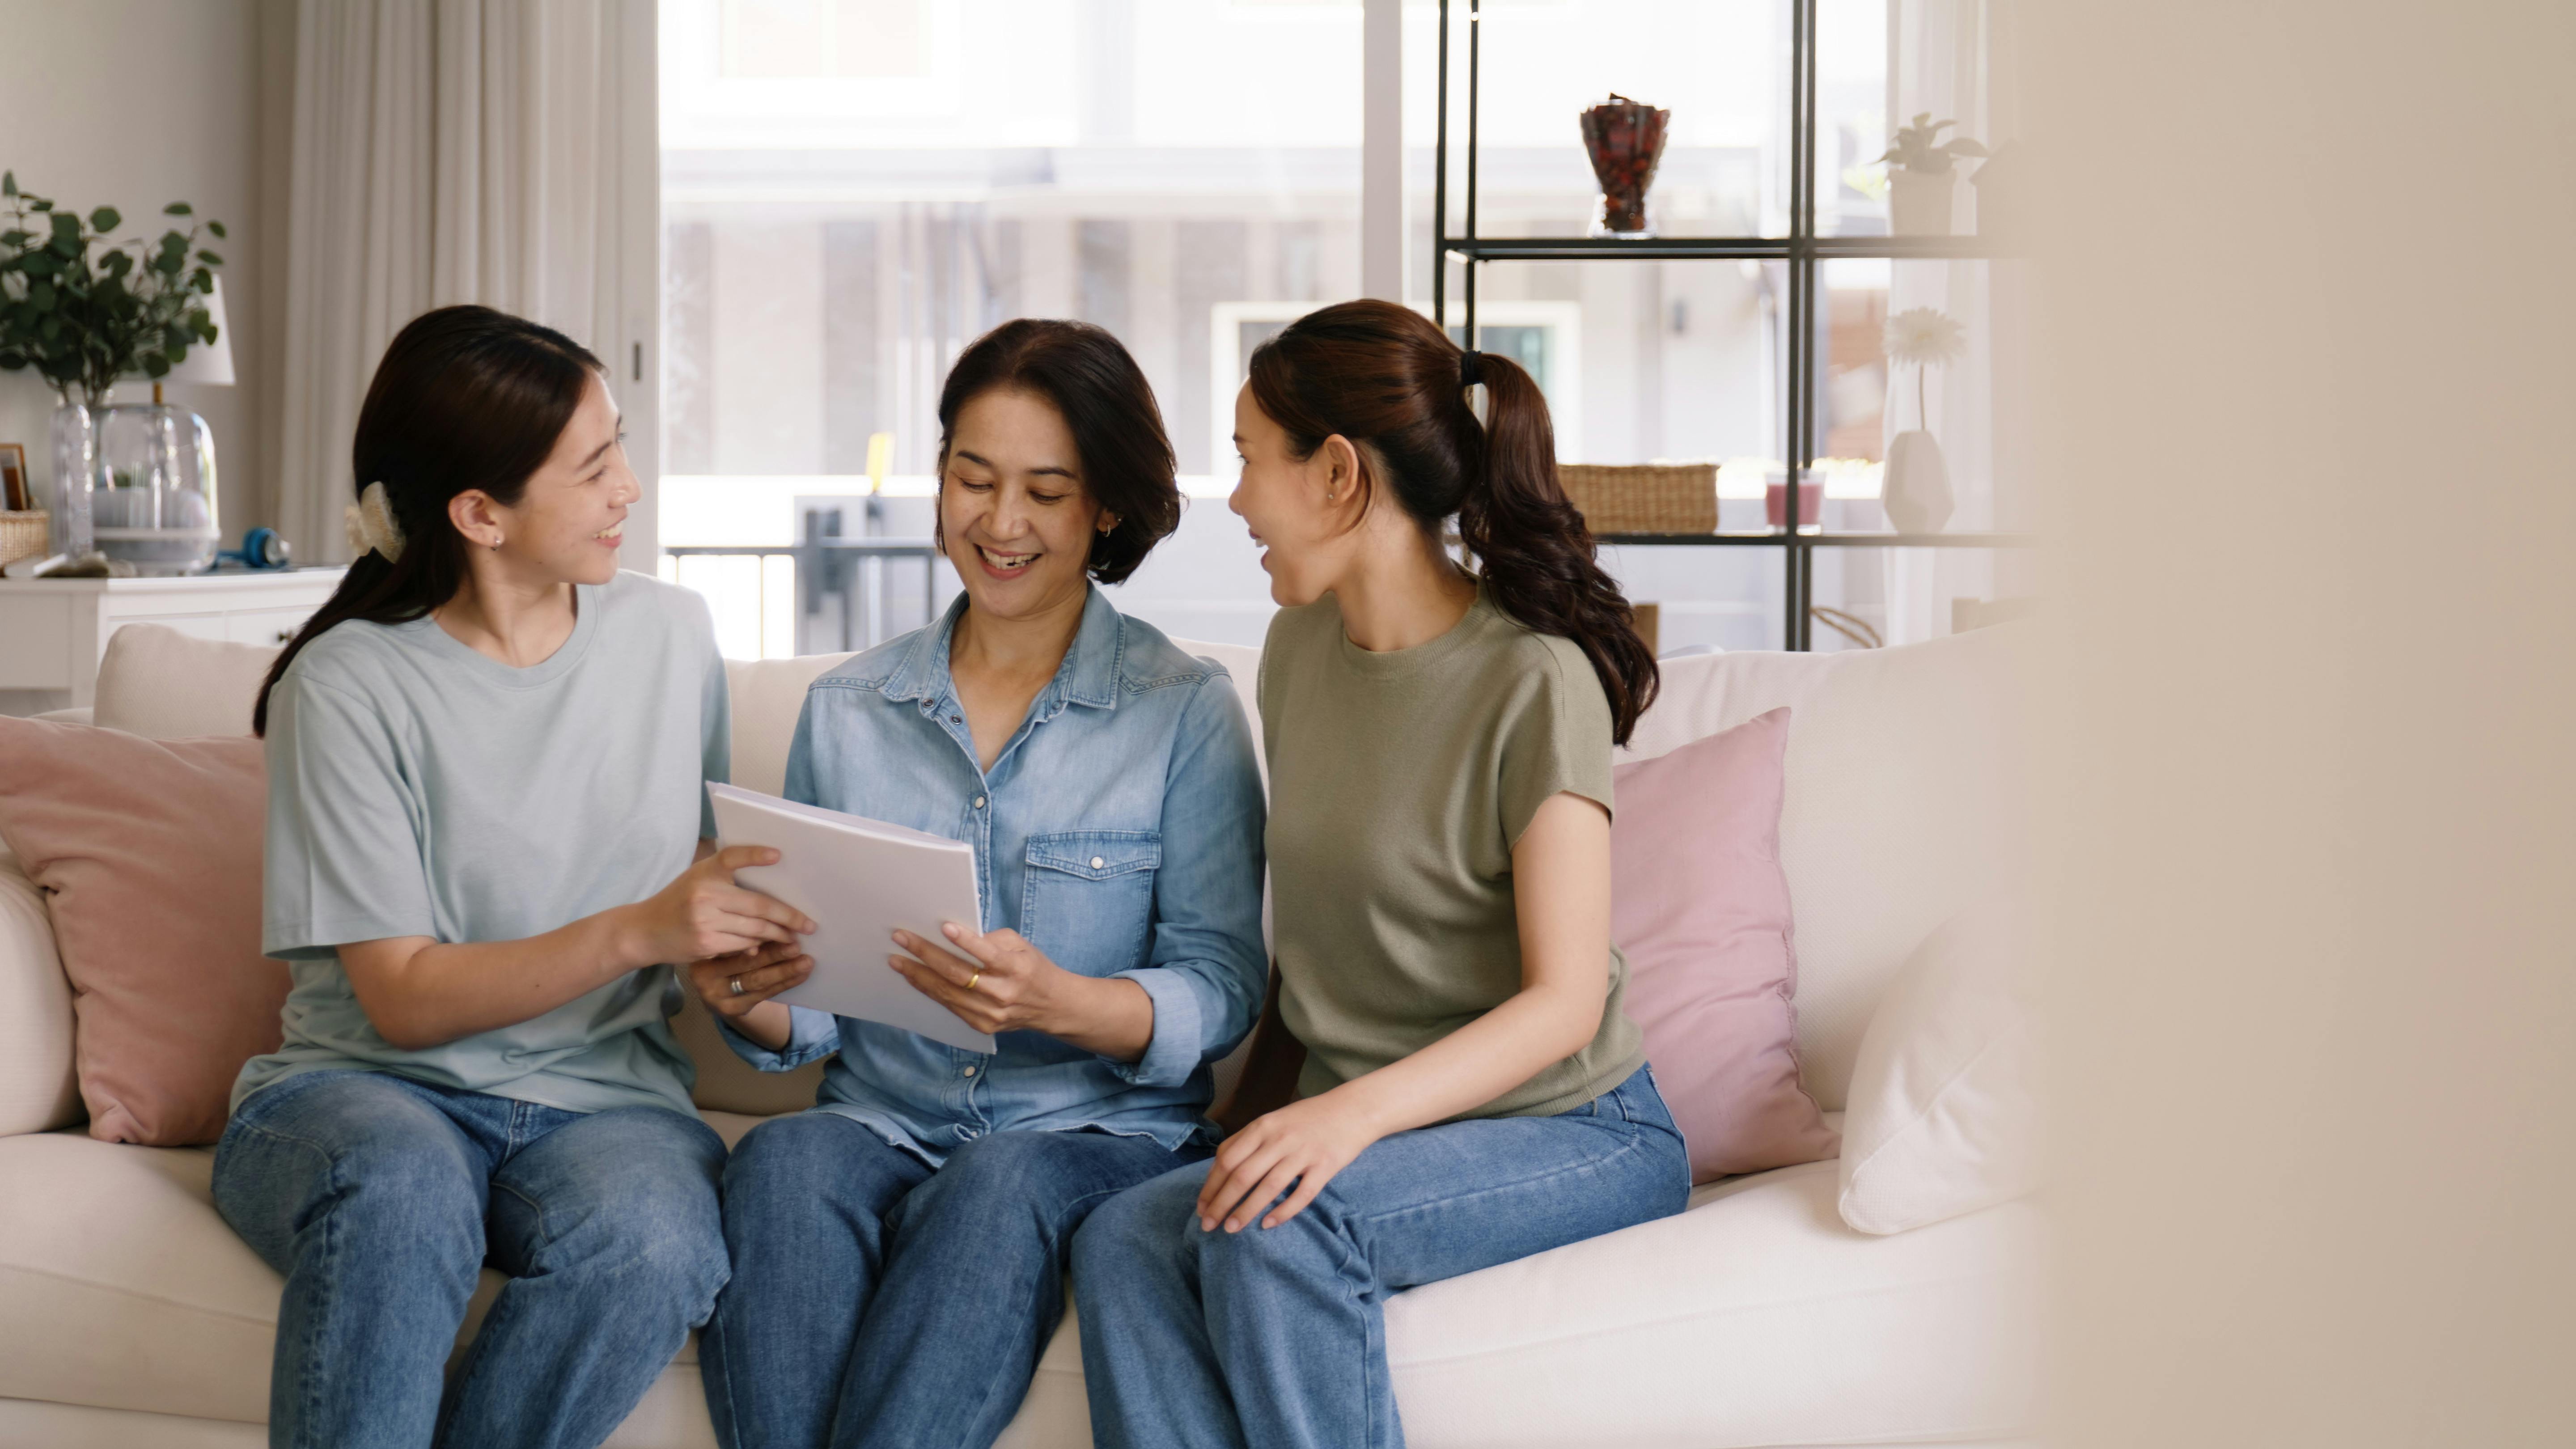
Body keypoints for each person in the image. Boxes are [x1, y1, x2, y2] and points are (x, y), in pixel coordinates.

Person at [1071, 299, 1692, 1449]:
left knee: (1277, 1227)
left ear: (1340, 476)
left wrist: (1339, 1127)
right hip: (1383, 1124)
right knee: (1125, 1237)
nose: (1241, 500)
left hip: (1575, 1126)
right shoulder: (1298, 653)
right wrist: (1254, 1129)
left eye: (1254, 461)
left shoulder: (1533, 679)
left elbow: (1563, 1006)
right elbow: (1319, 967)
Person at [214, 305, 812, 1449]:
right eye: (593, 468)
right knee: (401, 1193)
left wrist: (739, 976)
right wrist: (639, 932)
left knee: (656, 1242)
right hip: (364, 1095)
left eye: (621, 445)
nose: (630, 488)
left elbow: (696, 885)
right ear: (480, 513)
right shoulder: (347, 686)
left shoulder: (672, 636)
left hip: (609, 1107)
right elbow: (399, 996)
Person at [692, 318, 1268, 1449]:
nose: (1000, 525)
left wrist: (1069, 1004)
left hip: (1093, 1132)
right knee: (780, 1160)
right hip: (880, 1117)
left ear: (1103, 506)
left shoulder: (1183, 712)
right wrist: (746, 991)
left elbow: (1225, 979)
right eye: (973, 478)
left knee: (998, 1185)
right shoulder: (848, 711)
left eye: (1046, 492)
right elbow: (811, 1002)